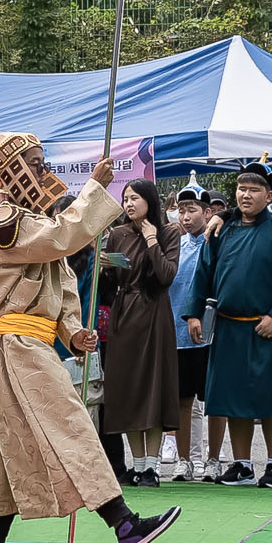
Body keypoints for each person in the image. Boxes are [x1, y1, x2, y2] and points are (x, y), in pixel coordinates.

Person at [0, 134, 178, 543]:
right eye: (36, 164)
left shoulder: (26, 221)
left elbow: (57, 283)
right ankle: (124, 523)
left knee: (7, 448)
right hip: (16, 347)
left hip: (22, 347)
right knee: (72, 428)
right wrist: (94, 191)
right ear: (12, 170)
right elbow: (64, 238)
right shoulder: (4, 218)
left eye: (43, 163)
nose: (43, 173)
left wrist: (73, 330)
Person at [188, 166, 272, 487]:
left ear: (269, 195)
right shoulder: (222, 229)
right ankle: (242, 463)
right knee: (233, 398)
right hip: (228, 326)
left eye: (253, 189)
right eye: (241, 189)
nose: (246, 195)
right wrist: (194, 313)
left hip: (268, 328)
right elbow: (203, 272)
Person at [98, 178, 180, 487]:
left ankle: (153, 466)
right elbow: (108, 284)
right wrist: (105, 266)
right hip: (124, 313)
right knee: (127, 387)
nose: (129, 204)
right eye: (126, 198)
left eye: (135, 198)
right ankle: (137, 463)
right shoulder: (117, 233)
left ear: (150, 201)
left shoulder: (168, 231)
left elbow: (166, 275)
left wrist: (151, 240)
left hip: (155, 312)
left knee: (153, 385)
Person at [166, 182, 215, 479]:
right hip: (177, 332)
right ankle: (184, 459)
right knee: (183, 399)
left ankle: (212, 459)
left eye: (192, 210)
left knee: (214, 399)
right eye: (181, 210)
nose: (185, 216)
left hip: (210, 331)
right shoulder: (174, 245)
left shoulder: (215, 243)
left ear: (207, 212)